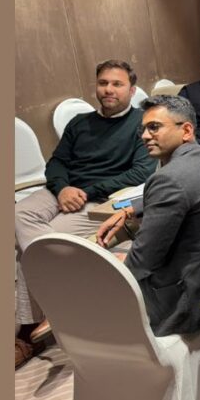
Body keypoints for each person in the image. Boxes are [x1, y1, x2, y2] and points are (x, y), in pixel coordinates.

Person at [14, 59, 157, 368]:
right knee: (19, 215)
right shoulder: (79, 123)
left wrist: (86, 193)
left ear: (132, 90)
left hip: (99, 200)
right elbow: (56, 162)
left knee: (39, 244)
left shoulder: (142, 123)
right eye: (103, 83)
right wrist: (62, 188)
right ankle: (59, 302)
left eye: (117, 84)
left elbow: (140, 173)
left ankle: (26, 334)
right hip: (63, 191)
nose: (109, 89)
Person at [96, 95, 200, 336]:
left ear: (186, 130)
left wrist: (112, 272)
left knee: (98, 272)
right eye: (144, 129)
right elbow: (188, 189)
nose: (145, 136)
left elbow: (143, 261)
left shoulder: (166, 179)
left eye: (154, 127)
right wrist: (132, 208)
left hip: (187, 302)